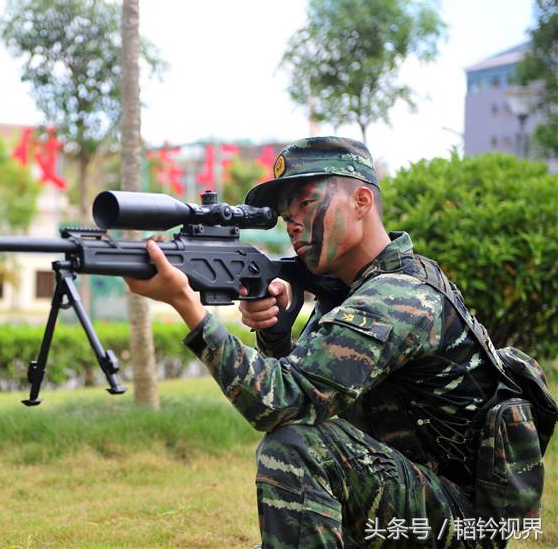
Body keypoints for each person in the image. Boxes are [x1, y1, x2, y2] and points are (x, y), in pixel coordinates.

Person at [125, 137, 545, 548]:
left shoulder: (398, 297)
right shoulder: (350, 291)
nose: (291, 224)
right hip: (403, 492)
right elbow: (312, 398)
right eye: (285, 215)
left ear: (362, 201)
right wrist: (275, 335)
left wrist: (187, 307)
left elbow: (278, 402)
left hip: (461, 525)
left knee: (294, 449)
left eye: (305, 205)